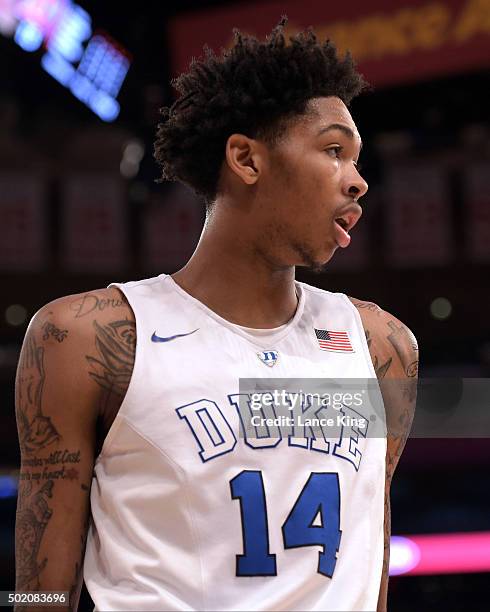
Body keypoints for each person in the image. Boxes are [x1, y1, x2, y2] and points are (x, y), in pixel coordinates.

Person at [15, 18, 418, 612]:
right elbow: (40, 594)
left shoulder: (383, 345)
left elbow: (366, 566)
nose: (357, 181)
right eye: (334, 151)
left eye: (357, 161)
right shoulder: (86, 337)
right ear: (245, 159)